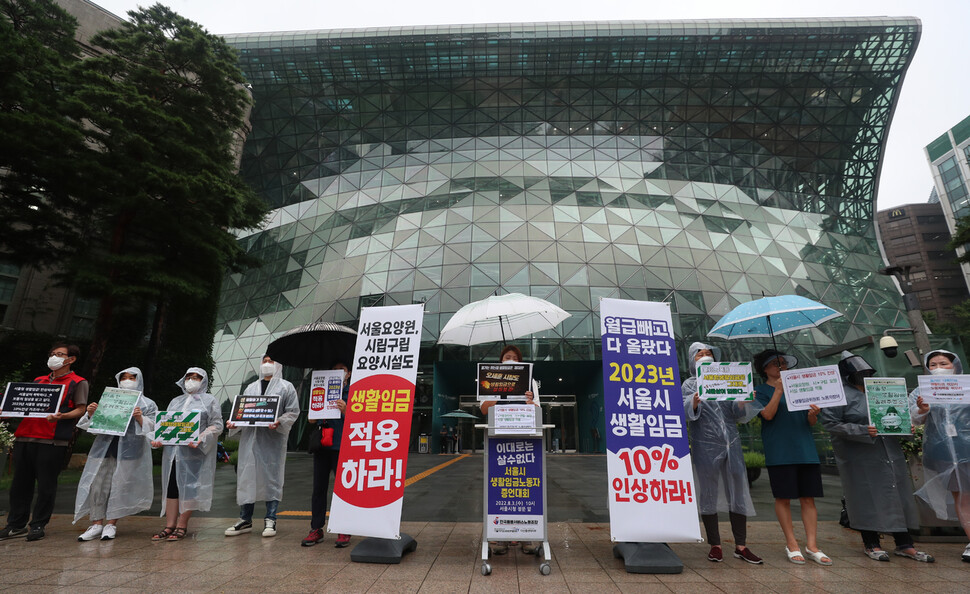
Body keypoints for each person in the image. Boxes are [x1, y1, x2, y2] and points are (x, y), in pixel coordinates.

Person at [820, 352, 932, 562]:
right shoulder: (839, 395)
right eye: (859, 372)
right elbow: (830, 423)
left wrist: (905, 426)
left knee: (898, 494)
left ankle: (904, 543)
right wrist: (862, 430)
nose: (864, 375)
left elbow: (897, 415)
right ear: (847, 375)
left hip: (889, 452)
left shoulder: (883, 390)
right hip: (860, 456)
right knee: (865, 497)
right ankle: (871, 542)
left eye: (867, 371)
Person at [682, 342, 763, 564]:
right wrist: (694, 402)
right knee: (708, 491)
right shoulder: (689, 384)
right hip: (705, 444)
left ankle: (741, 545)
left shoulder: (727, 380)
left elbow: (736, 413)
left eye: (709, 354)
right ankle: (715, 545)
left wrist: (743, 400)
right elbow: (683, 411)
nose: (705, 356)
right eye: (700, 354)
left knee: (738, 490)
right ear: (692, 359)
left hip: (732, 443)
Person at [0, 343, 88, 542]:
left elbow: (81, 409)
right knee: (19, 484)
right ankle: (15, 524)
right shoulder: (38, 380)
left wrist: (61, 417)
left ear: (71, 359)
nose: (54, 357)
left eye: (59, 354)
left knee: (46, 485)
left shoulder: (77, 382)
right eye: (52, 354)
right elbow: (22, 404)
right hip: (25, 436)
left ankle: (38, 524)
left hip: (52, 440)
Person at [752, 348, 831, 566]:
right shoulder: (759, 391)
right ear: (765, 369)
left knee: (808, 497)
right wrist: (778, 391)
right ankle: (792, 543)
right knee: (784, 497)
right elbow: (767, 415)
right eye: (776, 363)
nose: (782, 366)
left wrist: (813, 414)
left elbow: (811, 422)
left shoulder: (800, 388)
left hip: (805, 448)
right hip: (780, 450)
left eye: (783, 362)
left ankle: (812, 546)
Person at [74, 367, 158, 541]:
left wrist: (140, 418)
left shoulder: (147, 404)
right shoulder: (110, 399)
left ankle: (111, 523)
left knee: (120, 486)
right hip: (105, 448)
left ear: (139, 380)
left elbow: (155, 428)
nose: (127, 380)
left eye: (131, 377)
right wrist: (91, 413)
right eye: (124, 377)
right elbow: (92, 426)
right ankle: (96, 524)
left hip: (129, 451)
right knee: (97, 486)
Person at [225, 355, 300, 538]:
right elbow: (243, 412)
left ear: (279, 364)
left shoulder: (286, 387)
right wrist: (235, 423)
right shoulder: (251, 387)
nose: (267, 364)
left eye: (272, 361)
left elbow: (292, 412)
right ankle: (245, 519)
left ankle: (271, 518)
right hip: (250, 440)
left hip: (272, 442)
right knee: (247, 477)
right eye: (265, 360)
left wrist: (280, 421)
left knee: (272, 478)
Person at [909, 349, 970, 561]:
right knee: (962, 498)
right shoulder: (921, 391)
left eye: (943, 364)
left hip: (967, 448)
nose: (937, 369)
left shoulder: (967, 387)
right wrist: (922, 409)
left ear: (955, 365)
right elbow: (915, 420)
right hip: (944, 453)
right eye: (932, 365)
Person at [479, 344, 540, 556]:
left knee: (525, 488)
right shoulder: (489, 379)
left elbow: (538, 411)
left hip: (525, 441)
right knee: (501, 488)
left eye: (515, 357)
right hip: (499, 441)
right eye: (507, 357)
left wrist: (531, 400)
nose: (511, 360)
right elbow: (484, 409)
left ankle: (526, 537)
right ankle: (501, 537)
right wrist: (497, 391)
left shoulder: (530, 382)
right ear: (500, 361)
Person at [150, 368, 223, 541]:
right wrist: (158, 438)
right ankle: (170, 525)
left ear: (203, 381)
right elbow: (165, 423)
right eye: (188, 377)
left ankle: (182, 525)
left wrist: (201, 437)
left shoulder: (209, 401)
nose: (191, 380)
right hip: (173, 452)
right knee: (172, 487)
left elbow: (216, 425)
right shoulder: (176, 401)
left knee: (190, 487)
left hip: (194, 453)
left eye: (196, 378)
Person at [302, 362, 351, 548]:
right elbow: (311, 419)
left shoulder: (353, 393)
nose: (338, 372)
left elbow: (362, 419)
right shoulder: (320, 390)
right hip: (323, 446)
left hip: (343, 447)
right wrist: (313, 414)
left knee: (342, 491)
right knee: (318, 489)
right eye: (335, 369)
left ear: (348, 374)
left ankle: (344, 529)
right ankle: (316, 528)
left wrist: (346, 410)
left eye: (342, 369)